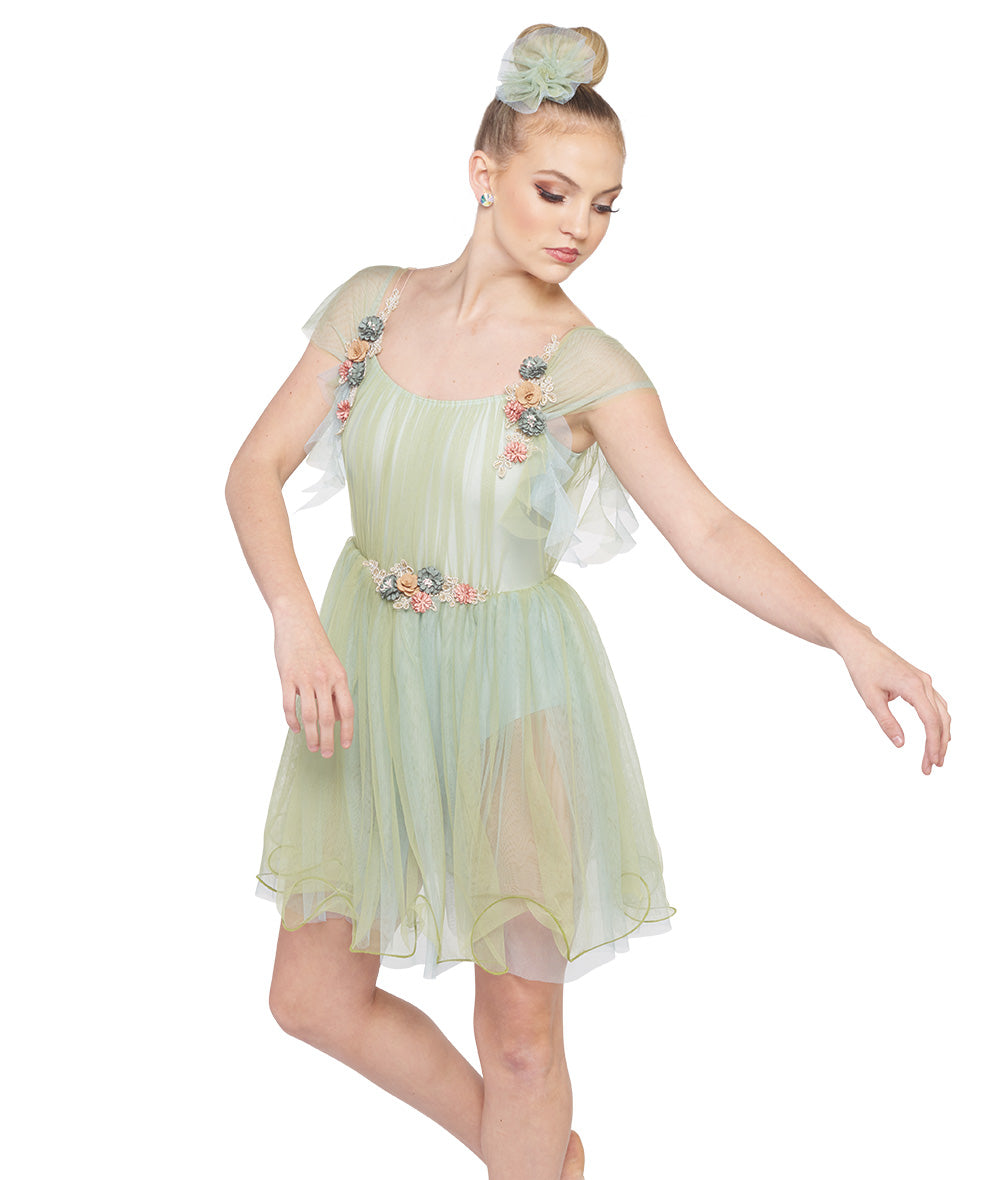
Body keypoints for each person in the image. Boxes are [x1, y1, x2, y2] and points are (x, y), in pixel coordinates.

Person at [225, 23, 951, 1180]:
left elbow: (706, 528)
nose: (579, 228)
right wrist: (291, 617)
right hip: (356, 683)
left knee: (519, 1037)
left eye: (605, 206)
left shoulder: (583, 361)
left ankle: (527, 1160)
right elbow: (252, 468)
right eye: (554, 192)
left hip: (516, 698)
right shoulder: (372, 306)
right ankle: (542, 1163)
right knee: (309, 995)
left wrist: (850, 638)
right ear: (483, 173)